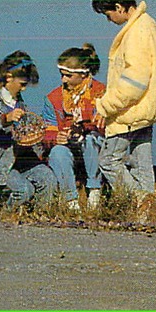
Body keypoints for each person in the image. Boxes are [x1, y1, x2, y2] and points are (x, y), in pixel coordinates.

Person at [91, 0, 156, 198]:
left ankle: (137, 201)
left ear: (119, 7)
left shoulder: (137, 32)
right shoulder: (148, 24)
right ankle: (149, 207)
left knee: (108, 161)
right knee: (141, 163)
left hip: (130, 111)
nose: (109, 20)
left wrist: (105, 107)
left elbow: (134, 82)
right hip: (146, 107)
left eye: (108, 15)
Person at [0, 50, 57, 207]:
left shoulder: (17, 101)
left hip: (21, 160)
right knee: (23, 190)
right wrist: (4, 120)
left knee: (48, 180)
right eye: (22, 84)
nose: (24, 89)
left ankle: (39, 218)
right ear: (8, 77)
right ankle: (3, 215)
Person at [42, 44, 106, 214]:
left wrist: (84, 125)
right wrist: (57, 138)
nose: (63, 80)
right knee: (57, 152)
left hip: (95, 144)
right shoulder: (53, 98)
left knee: (91, 139)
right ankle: (71, 200)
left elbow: (107, 126)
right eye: (62, 75)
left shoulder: (101, 92)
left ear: (83, 74)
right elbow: (47, 130)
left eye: (68, 76)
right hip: (70, 148)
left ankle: (94, 190)